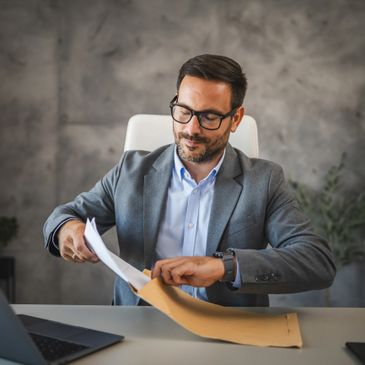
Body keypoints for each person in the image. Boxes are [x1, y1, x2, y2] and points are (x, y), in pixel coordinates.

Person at [43, 54, 336, 306]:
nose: (191, 129)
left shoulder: (264, 180)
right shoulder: (131, 171)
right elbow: (63, 216)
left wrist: (225, 267)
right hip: (139, 325)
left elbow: (317, 262)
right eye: (183, 111)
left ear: (235, 119)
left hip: (226, 333)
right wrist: (66, 229)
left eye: (209, 117)